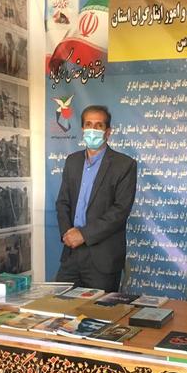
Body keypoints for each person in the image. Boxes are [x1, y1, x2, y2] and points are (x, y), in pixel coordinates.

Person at [55, 105, 137, 292]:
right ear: (82, 129)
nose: (92, 130)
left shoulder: (125, 165)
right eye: (88, 124)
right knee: (60, 304)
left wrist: (83, 235)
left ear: (108, 132)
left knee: (99, 310)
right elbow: (62, 202)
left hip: (103, 258)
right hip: (71, 253)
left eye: (98, 125)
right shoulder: (72, 161)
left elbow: (120, 211)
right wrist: (68, 234)